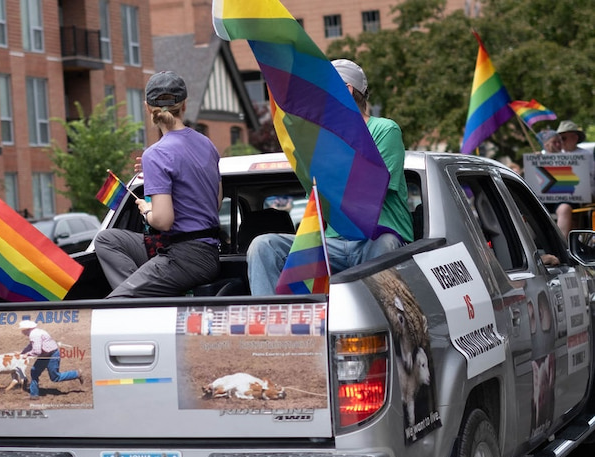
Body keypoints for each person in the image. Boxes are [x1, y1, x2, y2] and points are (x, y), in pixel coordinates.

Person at [247, 59, 413, 296]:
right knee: (263, 246)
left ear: (347, 90)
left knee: (385, 244)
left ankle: (382, 328)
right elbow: (317, 198)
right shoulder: (320, 140)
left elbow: (371, 190)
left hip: (375, 238)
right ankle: (273, 330)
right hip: (331, 245)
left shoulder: (384, 130)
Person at [94, 70, 222, 298]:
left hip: (183, 257)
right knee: (107, 239)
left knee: (116, 302)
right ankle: (143, 290)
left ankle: (136, 297)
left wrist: (147, 209)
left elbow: (162, 221)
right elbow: (216, 202)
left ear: (147, 107)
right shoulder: (207, 144)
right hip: (206, 254)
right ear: (184, 104)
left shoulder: (156, 154)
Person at [19, 320, 82, 400]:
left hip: (52, 355)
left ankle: (76, 374)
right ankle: (34, 394)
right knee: (34, 372)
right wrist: (22, 353)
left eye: (22, 330)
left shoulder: (34, 335)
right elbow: (31, 345)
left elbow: (37, 351)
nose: (22, 332)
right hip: (47, 354)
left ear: (27, 329)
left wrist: (27, 354)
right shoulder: (37, 332)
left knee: (55, 377)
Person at [537, 129, 573, 235]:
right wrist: (534, 161)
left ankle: (561, 247)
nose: (557, 144)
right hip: (543, 199)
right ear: (546, 144)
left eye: (559, 141)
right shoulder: (537, 158)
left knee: (564, 209)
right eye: (554, 142)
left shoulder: (571, 158)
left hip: (564, 198)